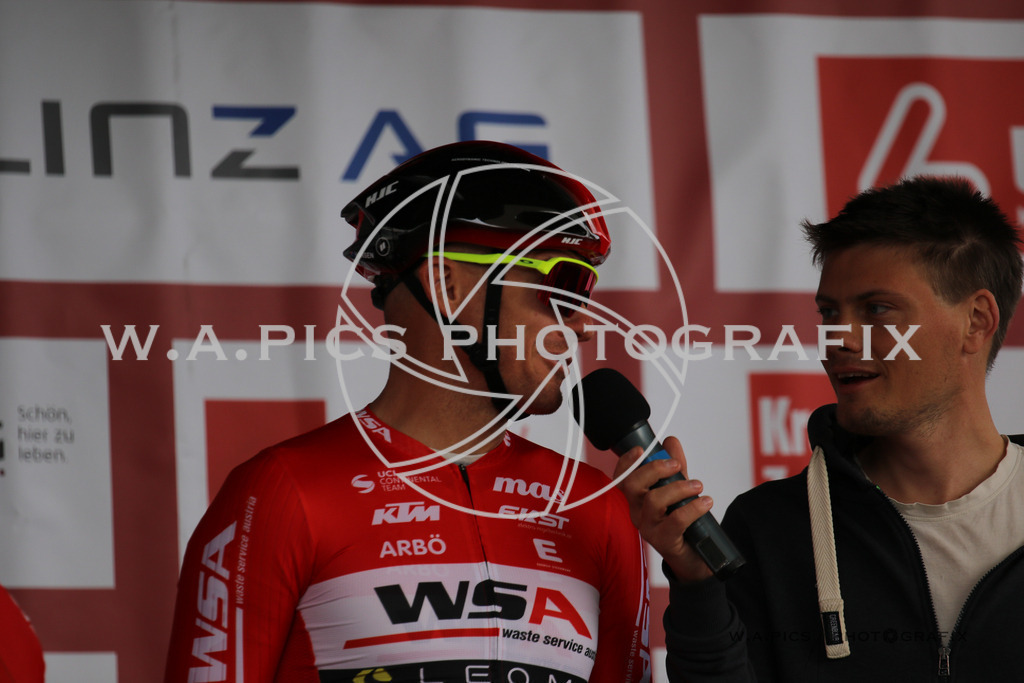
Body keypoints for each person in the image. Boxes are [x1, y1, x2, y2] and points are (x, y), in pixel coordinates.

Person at [163, 141, 651, 682]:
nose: (583, 325)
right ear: (447, 286)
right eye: (564, 287)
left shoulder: (600, 510)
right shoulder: (282, 494)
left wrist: (702, 597)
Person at [615, 176, 1024, 681]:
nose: (839, 339)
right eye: (829, 313)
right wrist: (698, 585)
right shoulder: (767, 528)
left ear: (976, 321)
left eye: (876, 310)